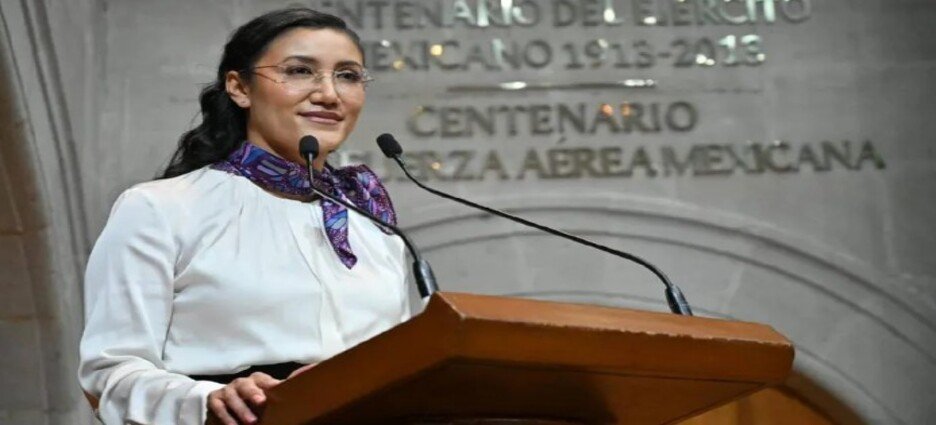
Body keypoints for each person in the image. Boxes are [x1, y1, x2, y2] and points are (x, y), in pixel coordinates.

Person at [78, 8, 410, 425]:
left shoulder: (372, 222)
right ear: (239, 87)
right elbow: (108, 376)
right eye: (300, 71)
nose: (329, 94)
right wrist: (208, 400)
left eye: (348, 75)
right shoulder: (160, 208)